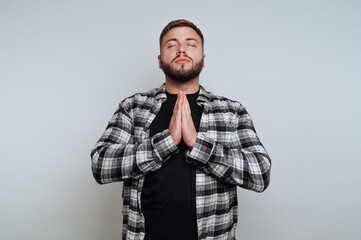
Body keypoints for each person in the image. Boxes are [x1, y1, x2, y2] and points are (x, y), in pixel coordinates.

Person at [91, 19, 271, 240]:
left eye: (191, 43)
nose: (182, 49)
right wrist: (167, 141)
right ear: (159, 60)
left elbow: (261, 173)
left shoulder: (230, 111)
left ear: (203, 59)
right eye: (171, 44)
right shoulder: (133, 107)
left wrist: (197, 144)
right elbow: (100, 165)